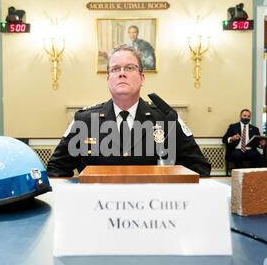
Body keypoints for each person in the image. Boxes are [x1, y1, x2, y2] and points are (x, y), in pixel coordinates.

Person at [47, 45, 211, 177]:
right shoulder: (86, 120)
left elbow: (199, 168)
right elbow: (56, 169)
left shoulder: (165, 118)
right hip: (98, 210)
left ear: (142, 78)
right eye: (115, 69)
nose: (122, 74)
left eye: (130, 68)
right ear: (108, 79)